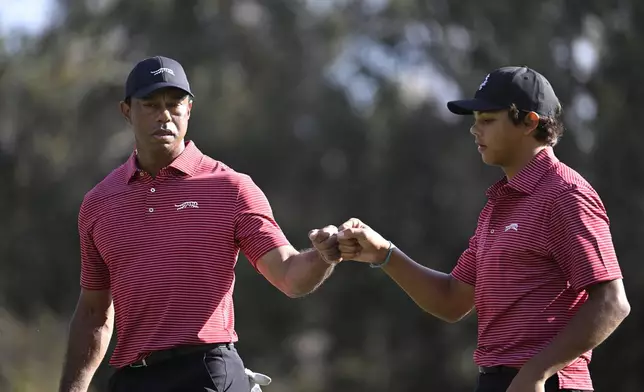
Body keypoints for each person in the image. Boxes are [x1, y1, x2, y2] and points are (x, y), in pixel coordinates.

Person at [312, 66, 630, 392]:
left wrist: (536, 373)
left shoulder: (565, 195)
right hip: (498, 381)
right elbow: (452, 300)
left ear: (529, 122)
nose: (475, 130)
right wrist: (384, 253)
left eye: (488, 120)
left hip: (548, 383)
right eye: (475, 119)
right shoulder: (497, 206)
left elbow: (611, 302)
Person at [58, 56, 341, 392]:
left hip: (206, 371)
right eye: (149, 104)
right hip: (132, 378)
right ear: (126, 111)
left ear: (189, 109)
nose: (164, 114)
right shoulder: (99, 203)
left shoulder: (230, 188)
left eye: (174, 104)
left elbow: (290, 275)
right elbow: (93, 315)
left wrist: (324, 255)